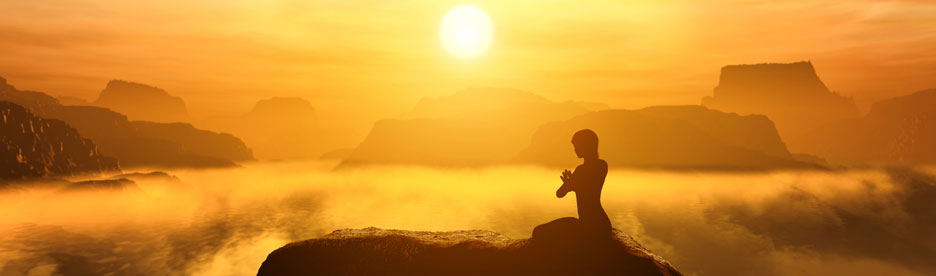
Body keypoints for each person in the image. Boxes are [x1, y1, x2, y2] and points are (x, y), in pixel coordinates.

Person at [532, 129, 612, 241]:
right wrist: (571, 184)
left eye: (577, 145)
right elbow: (563, 192)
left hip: (588, 226)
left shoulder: (582, 170)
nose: (575, 149)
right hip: (602, 224)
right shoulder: (602, 165)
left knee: (538, 231)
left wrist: (570, 184)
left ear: (587, 145)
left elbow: (560, 193)